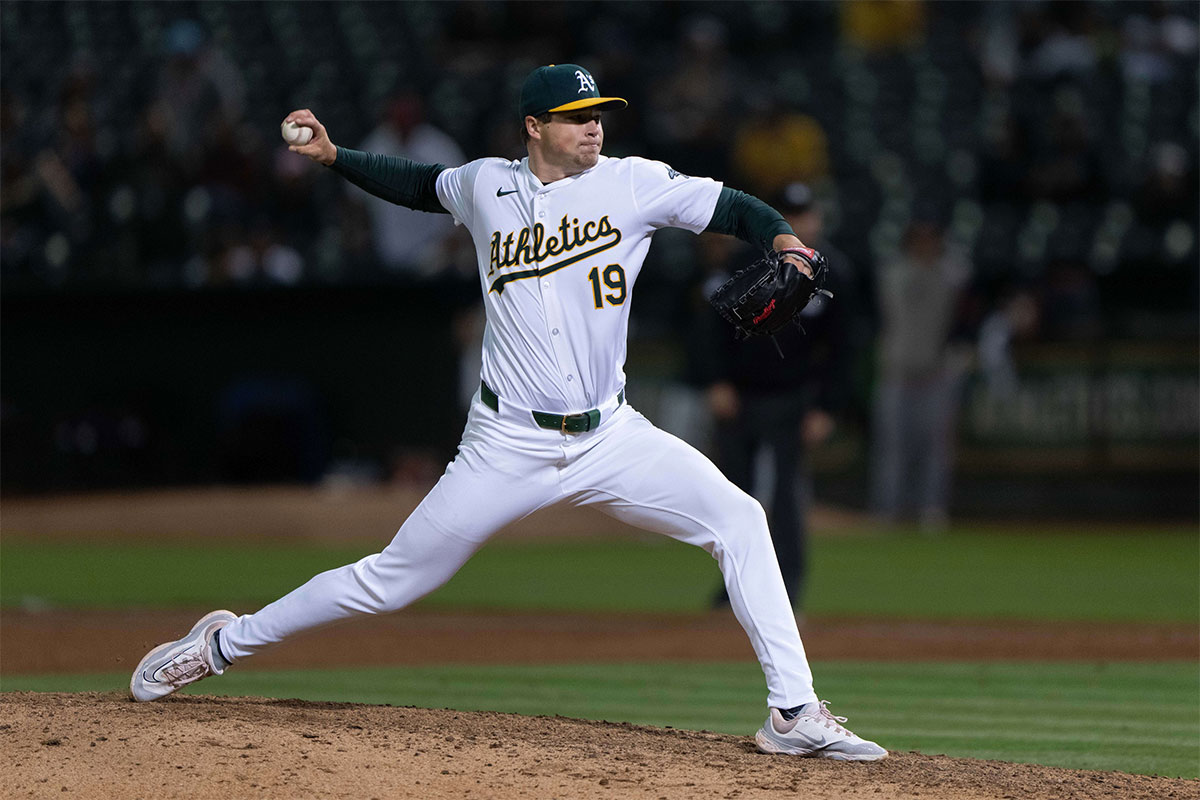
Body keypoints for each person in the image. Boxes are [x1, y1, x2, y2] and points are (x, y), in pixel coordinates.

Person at [130, 64, 886, 762]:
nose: (594, 127)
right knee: (391, 580)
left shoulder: (635, 184)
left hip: (612, 437)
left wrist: (782, 237)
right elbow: (419, 183)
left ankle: (792, 712)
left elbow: (733, 205)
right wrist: (337, 157)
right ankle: (224, 644)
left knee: (741, 518)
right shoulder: (485, 186)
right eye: (575, 116)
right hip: (506, 444)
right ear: (533, 126)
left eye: (599, 115)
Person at [697, 183, 855, 611]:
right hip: (741, 397)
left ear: (817, 218)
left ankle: (787, 591)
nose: (800, 223)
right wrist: (717, 381)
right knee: (733, 499)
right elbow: (712, 328)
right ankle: (733, 589)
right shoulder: (744, 261)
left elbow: (845, 348)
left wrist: (826, 406)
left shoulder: (833, 272)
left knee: (787, 501)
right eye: (790, 214)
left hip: (793, 400)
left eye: (805, 214)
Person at [870, 216, 971, 533]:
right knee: (892, 449)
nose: (925, 245)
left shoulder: (951, 273)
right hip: (897, 373)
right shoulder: (895, 273)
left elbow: (964, 286)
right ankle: (887, 511)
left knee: (935, 449)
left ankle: (931, 510)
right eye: (919, 238)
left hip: (935, 373)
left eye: (931, 238)